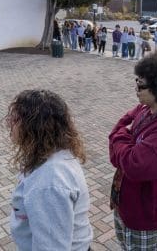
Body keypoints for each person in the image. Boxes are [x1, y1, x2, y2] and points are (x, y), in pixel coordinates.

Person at [109, 51, 157, 250]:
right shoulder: (146, 109)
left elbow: (133, 165)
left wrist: (119, 137)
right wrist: (123, 139)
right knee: (125, 245)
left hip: (145, 214)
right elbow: (122, 125)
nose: (136, 88)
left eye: (141, 85)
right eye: (137, 81)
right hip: (127, 203)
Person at [7, 90, 93, 250]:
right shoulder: (53, 152)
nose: (9, 123)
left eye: (16, 119)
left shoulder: (48, 182)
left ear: (33, 127)